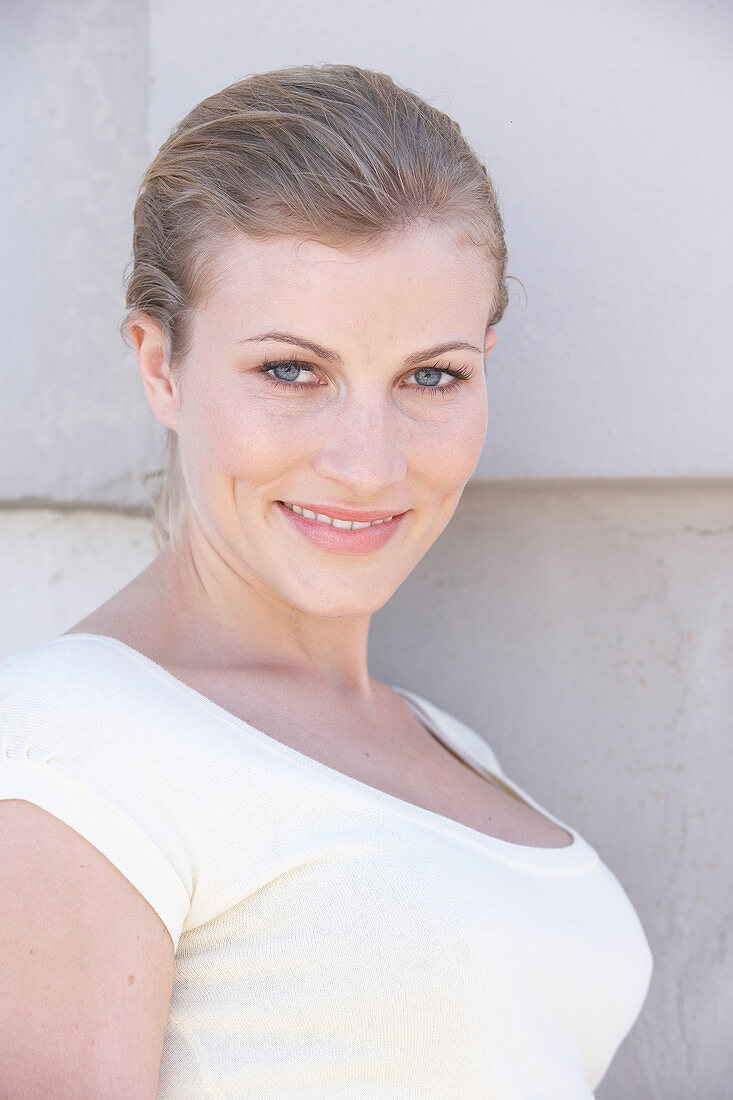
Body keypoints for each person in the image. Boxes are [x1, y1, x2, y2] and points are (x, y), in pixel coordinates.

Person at [0, 63, 652, 1097]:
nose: (368, 461)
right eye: (291, 371)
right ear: (160, 364)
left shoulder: (446, 742)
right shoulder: (69, 745)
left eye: (429, 376)